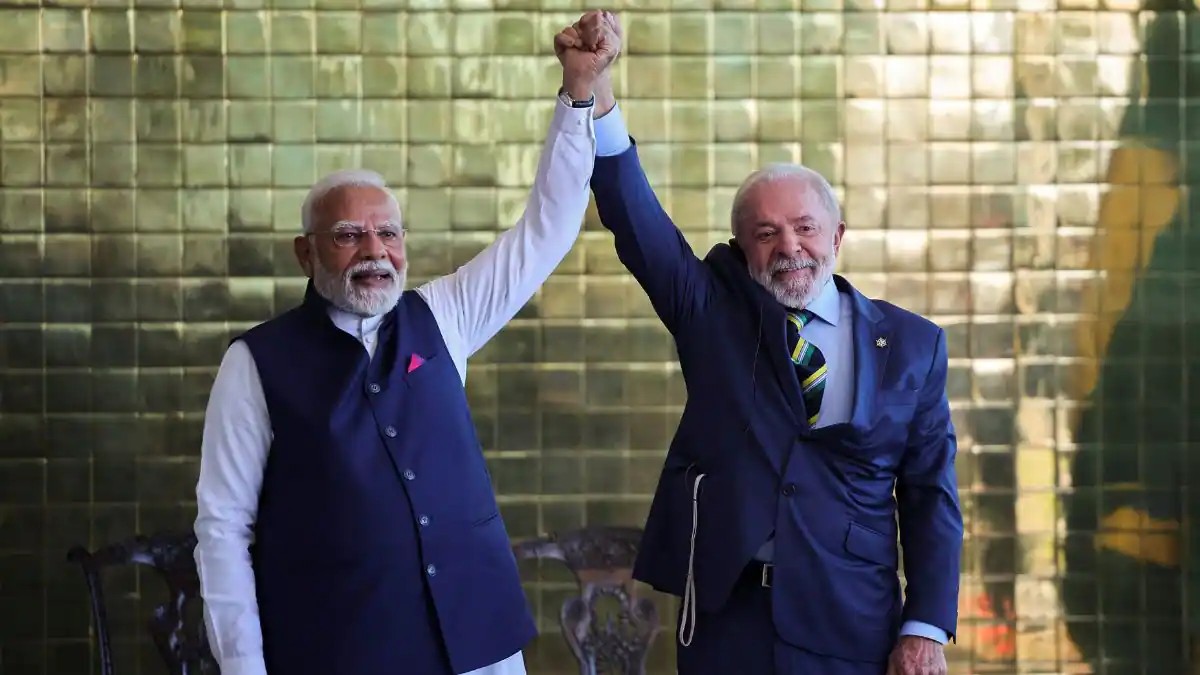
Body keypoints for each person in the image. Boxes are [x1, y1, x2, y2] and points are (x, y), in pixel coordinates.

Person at [191, 22, 620, 675]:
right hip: (340, 651)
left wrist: (578, 91)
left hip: (478, 643)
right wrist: (244, 667)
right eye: (348, 235)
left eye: (388, 234)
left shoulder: (444, 313)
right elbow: (222, 528)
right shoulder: (255, 363)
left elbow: (546, 229)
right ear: (306, 253)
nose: (375, 251)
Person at [566, 11, 964, 675]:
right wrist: (595, 89)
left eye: (805, 228)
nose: (789, 247)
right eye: (766, 233)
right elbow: (637, 222)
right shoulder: (712, 315)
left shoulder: (913, 346)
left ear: (837, 237)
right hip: (729, 623)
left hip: (853, 624)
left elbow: (931, 495)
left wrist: (924, 628)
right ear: (741, 247)